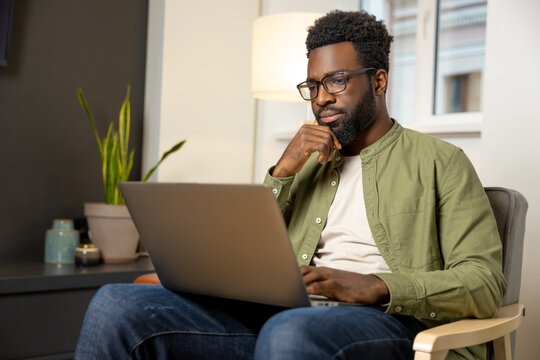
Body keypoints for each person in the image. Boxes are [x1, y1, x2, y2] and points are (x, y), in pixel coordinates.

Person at [74, 10, 505, 360]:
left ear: (378, 80)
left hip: (390, 326)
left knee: (291, 331)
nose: (320, 98)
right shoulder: (302, 166)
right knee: (117, 304)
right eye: (313, 86)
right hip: (282, 322)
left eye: (336, 81)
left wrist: (376, 284)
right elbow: (239, 259)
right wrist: (281, 172)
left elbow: (485, 283)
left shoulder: (441, 162)